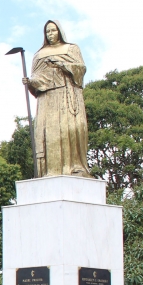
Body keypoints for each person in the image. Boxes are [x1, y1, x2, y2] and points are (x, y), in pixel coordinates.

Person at [23, 20, 92, 178]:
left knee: (70, 130)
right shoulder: (39, 55)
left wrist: (62, 64)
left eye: (53, 31)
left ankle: (75, 167)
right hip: (48, 99)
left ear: (59, 31)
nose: (50, 34)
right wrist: (30, 82)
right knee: (49, 133)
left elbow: (81, 69)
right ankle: (49, 171)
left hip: (68, 95)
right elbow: (38, 78)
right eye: (48, 32)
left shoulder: (71, 49)